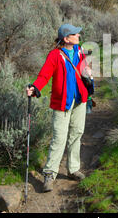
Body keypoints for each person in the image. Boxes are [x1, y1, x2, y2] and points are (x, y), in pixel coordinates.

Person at [26, 23, 93, 193]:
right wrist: (35, 88)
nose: (78, 36)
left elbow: (84, 67)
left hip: (79, 100)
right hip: (62, 103)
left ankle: (73, 169)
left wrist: (89, 73)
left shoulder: (79, 51)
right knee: (59, 138)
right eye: (75, 34)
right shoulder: (55, 55)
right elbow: (44, 75)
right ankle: (49, 174)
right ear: (66, 38)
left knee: (77, 133)